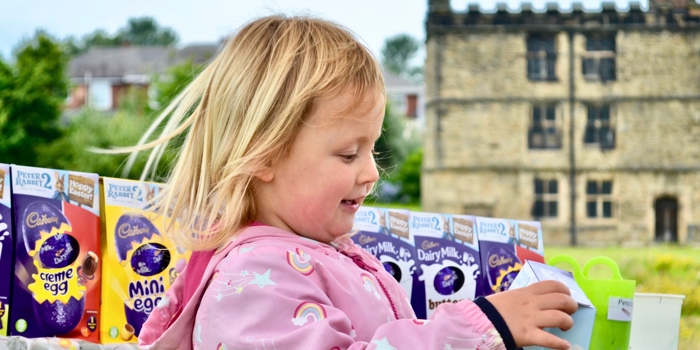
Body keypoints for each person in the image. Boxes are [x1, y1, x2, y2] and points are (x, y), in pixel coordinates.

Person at [131, 15, 577, 350]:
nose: (371, 173)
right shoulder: (250, 281)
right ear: (263, 154)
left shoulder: (321, 255)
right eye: (349, 154)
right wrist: (477, 329)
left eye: (372, 150)